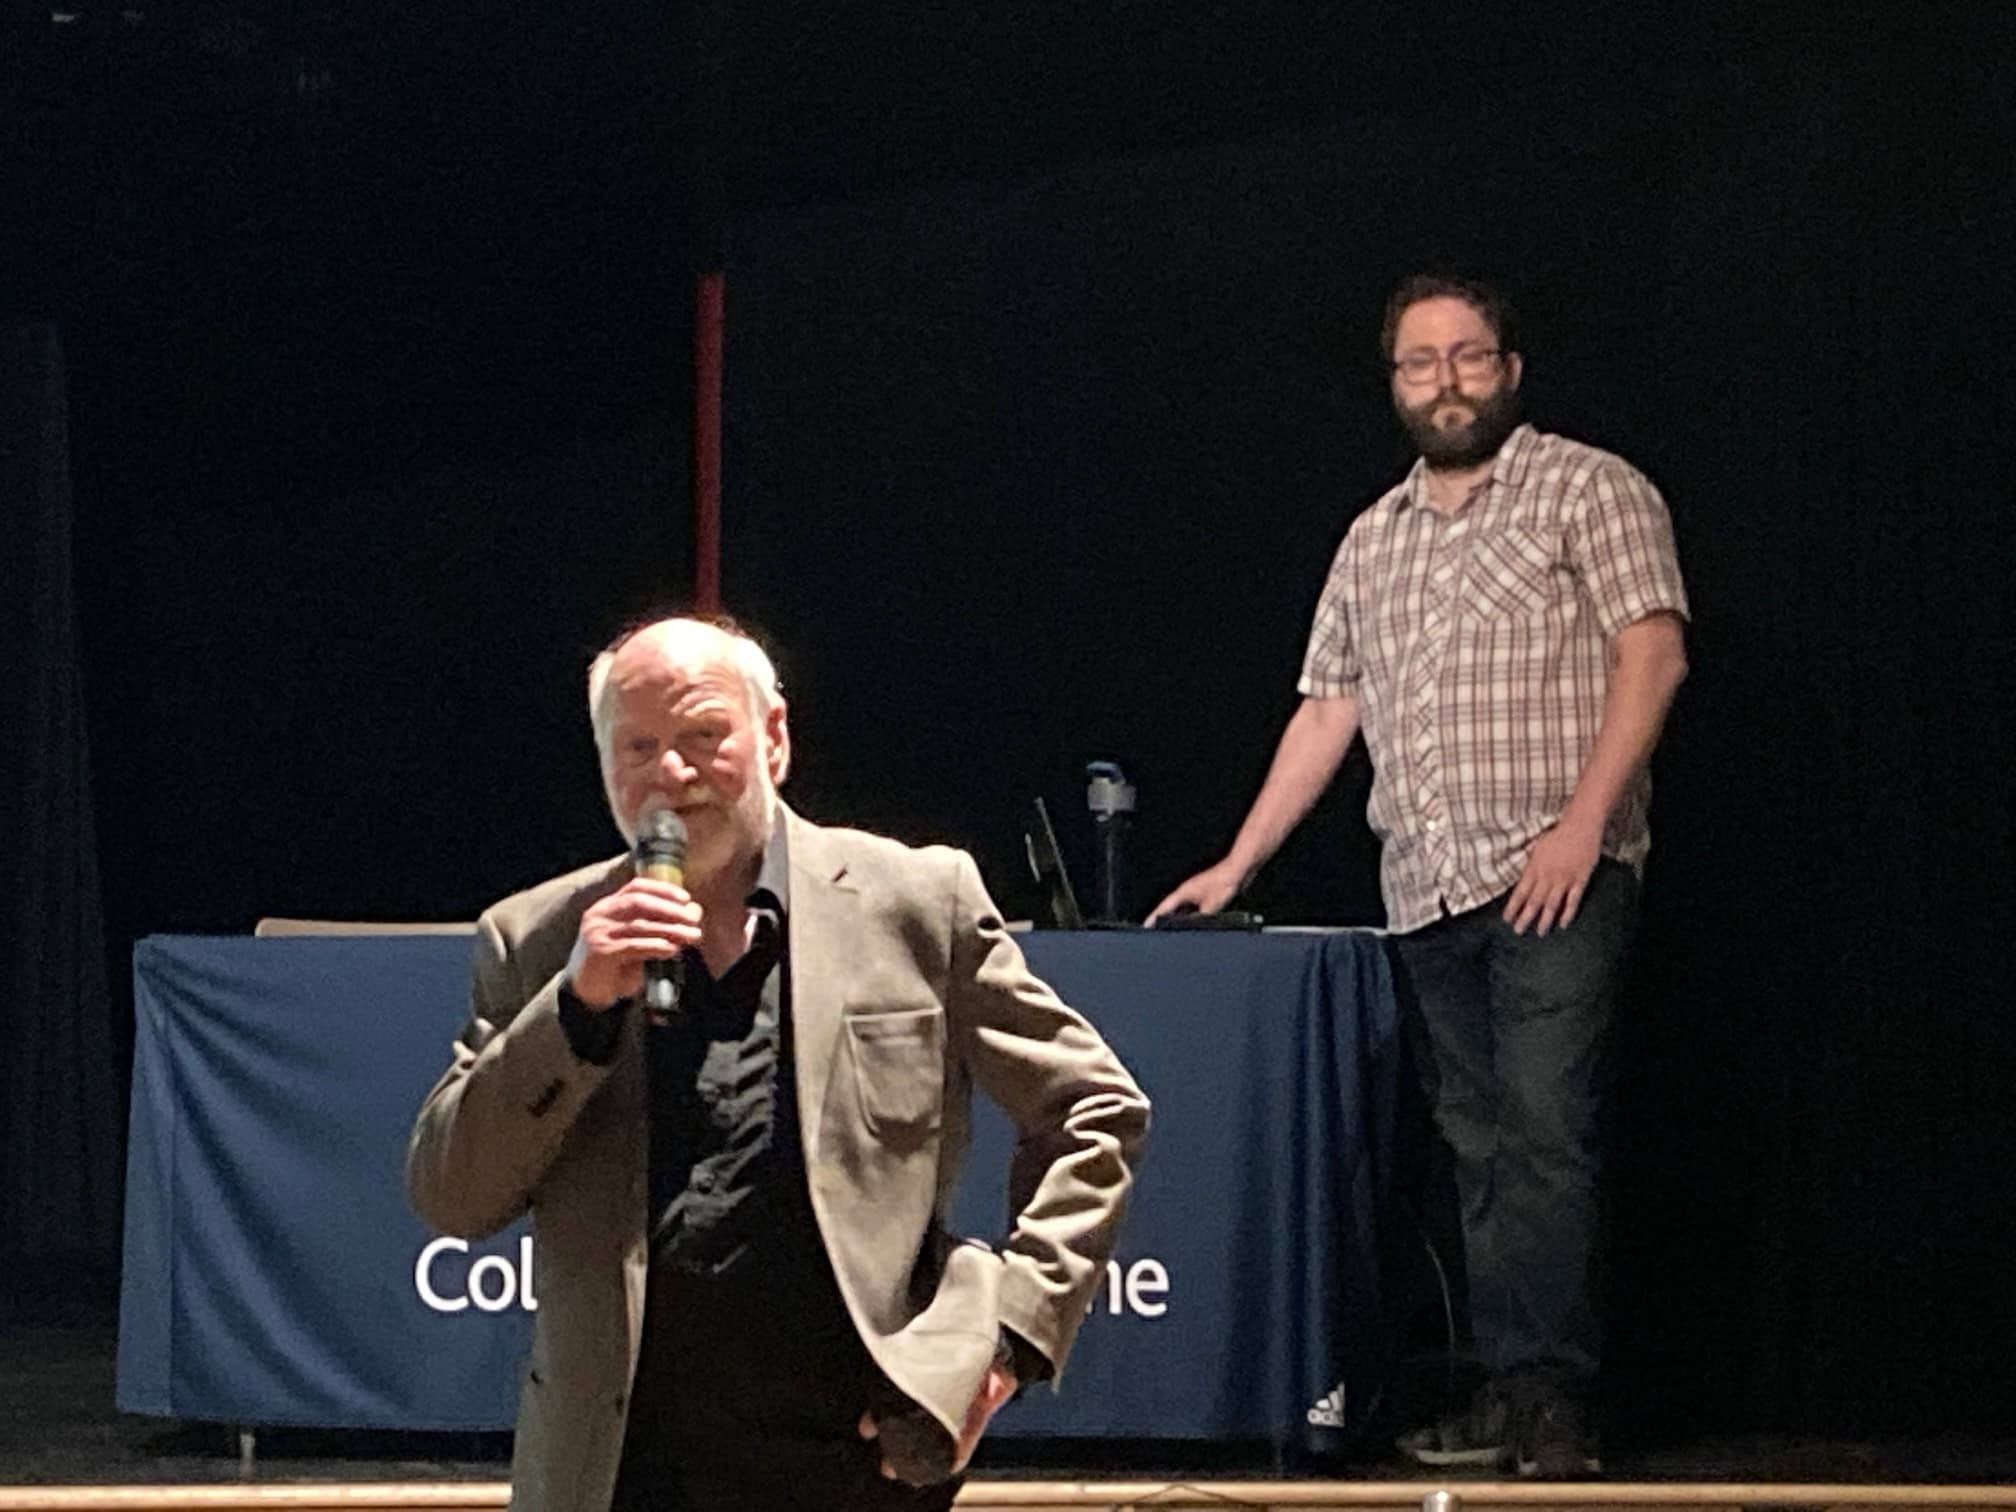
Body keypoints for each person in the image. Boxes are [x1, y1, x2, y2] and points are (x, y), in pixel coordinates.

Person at [408, 615, 1149, 1512]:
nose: (670, 776)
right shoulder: (536, 939)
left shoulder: (915, 903)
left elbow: (1093, 1107)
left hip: (851, 1467)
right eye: (637, 746)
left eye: (703, 736)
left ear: (776, 738)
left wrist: (1008, 1338)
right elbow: (451, 1193)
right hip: (616, 1473)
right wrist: (574, 1009)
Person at [1153, 274, 1688, 1477]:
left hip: (1554, 872)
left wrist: (1582, 828)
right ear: (1394, 383)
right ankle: (1508, 1387)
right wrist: (1239, 861)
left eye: (1468, 357)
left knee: (1546, 1135)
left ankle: (1557, 1401)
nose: (1445, 381)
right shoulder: (1372, 537)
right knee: (1479, 1150)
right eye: (1419, 363)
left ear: (1510, 367)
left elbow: (1651, 655)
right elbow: (1329, 708)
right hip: (1428, 889)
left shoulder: (1588, 489)